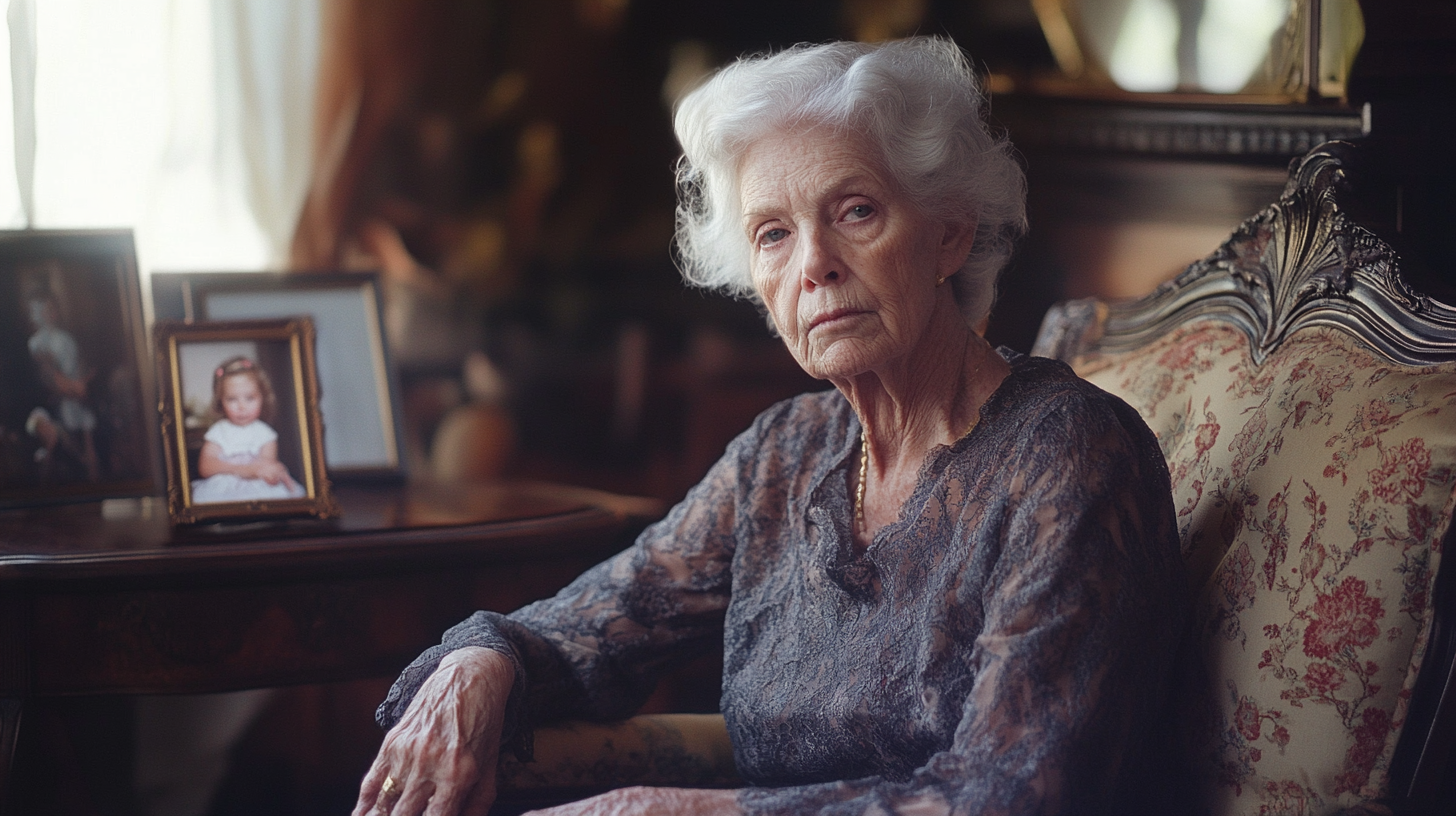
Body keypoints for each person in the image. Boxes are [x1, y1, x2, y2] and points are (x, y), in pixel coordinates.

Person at [356, 37, 1186, 816]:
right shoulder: (786, 454)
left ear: (948, 234)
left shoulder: (1068, 454)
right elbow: (594, 625)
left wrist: (679, 809)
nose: (813, 265)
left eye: (856, 211)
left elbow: (1011, 793)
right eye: (773, 235)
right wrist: (477, 661)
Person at [190, 356, 304, 503]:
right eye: (232, 399)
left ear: (263, 398)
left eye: (250, 398)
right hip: (223, 488)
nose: (241, 407)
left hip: (256, 487)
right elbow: (205, 467)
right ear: (221, 401)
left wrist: (273, 474)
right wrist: (245, 469)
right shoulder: (218, 431)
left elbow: (266, 467)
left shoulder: (265, 434)